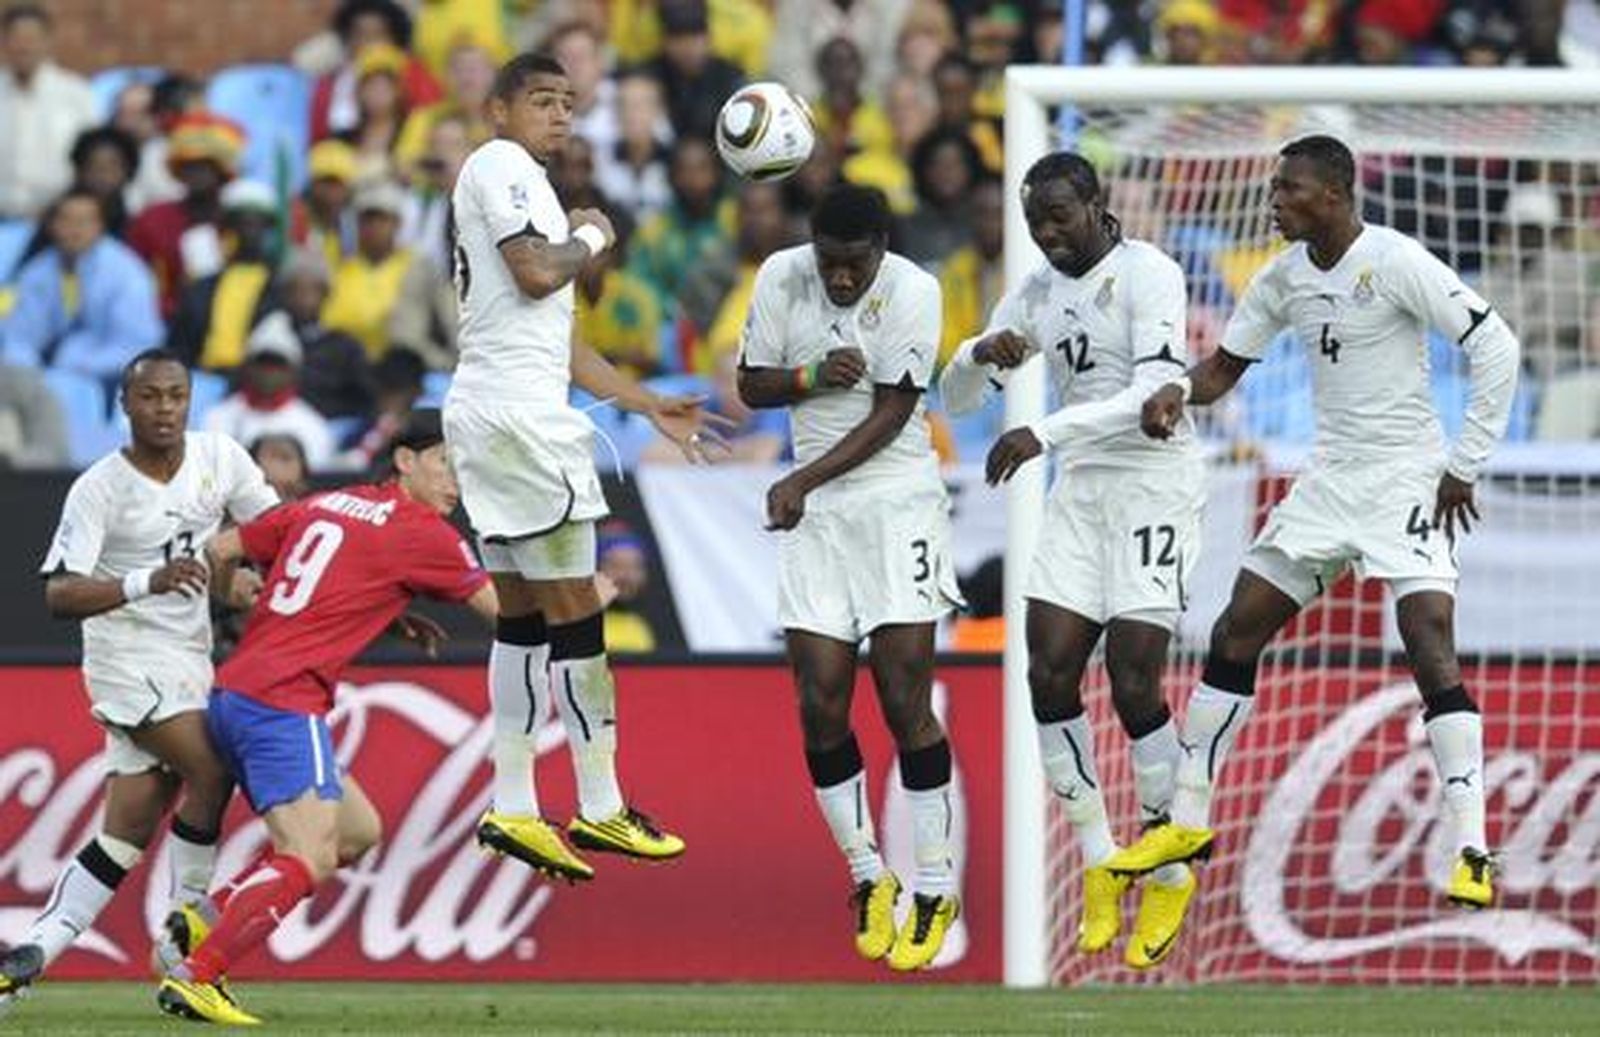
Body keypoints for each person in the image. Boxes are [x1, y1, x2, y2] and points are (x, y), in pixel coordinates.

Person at [1118, 135, 1522, 913]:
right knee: (1237, 628)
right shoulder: (1282, 277)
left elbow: (1495, 344)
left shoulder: (1397, 261)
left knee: (1428, 639)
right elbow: (1225, 367)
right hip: (1329, 481)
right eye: (1274, 188)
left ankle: (1471, 847)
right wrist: (1177, 391)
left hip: (1407, 474)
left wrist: (1464, 462)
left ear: (1334, 195)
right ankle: (1188, 819)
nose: (1274, 201)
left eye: (1289, 189)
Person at [443, 52, 728, 881]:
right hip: (520, 424)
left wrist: (646, 403)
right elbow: (539, 274)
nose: (560, 114)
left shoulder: (526, 192)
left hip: (499, 411)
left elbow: (560, 342)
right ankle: (600, 805)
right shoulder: (502, 167)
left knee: (526, 615)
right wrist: (595, 232)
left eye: (569, 102)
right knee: (577, 609)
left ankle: (515, 803)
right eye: (541, 100)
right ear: (498, 110)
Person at [939, 153, 1205, 969]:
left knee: (1131, 678)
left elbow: (1159, 388)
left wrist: (1041, 431)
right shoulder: (1035, 293)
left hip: (1155, 486)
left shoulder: (1148, 273)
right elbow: (952, 400)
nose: (1048, 235)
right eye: (1036, 223)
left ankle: (1167, 857)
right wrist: (982, 354)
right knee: (1048, 674)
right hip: (1082, 493)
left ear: (1095, 203)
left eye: (1060, 216)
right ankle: (1097, 856)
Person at [153, 410, 496, 1025]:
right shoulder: (425, 533)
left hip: (235, 692)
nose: (457, 483)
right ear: (404, 461)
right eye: (447, 463)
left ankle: (201, 923)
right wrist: (584, 601)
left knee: (358, 831)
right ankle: (198, 976)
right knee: (308, 855)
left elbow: (221, 548)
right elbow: (506, 616)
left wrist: (237, 595)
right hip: (283, 703)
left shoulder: (330, 503)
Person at [0, 349, 276, 1011]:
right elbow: (60, 593)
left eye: (175, 396)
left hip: (190, 654)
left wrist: (248, 577)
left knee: (127, 828)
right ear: (125, 405)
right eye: (149, 397)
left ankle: (25, 957)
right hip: (126, 660)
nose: (164, 409)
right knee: (212, 770)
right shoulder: (100, 487)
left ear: (190, 400)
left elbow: (276, 529)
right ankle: (185, 952)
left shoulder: (220, 459)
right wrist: (143, 581)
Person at [737, 184, 964, 971]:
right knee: (818, 700)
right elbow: (752, 383)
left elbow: (896, 410)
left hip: (896, 502)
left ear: (881, 247)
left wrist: (802, 480)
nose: (838, 278)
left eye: (853, 264)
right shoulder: (780, 275)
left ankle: (934, 886)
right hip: (819, 516)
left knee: (904, 699)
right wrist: (808, 378)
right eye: (828, 262)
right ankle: (870, 874)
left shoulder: (914, 288)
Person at [1, 188, 163, 380]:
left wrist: (72, 364)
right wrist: (27, 371)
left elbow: (138, 347)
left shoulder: (127, 273)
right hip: (49, 375)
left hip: (114, 379)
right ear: (52, 225)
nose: (74, 229)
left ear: (100, 226)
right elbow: (20, 338)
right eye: (65, 220)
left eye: (84, 221)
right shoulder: (38, 271)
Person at [204, 312, 338, 471]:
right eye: (262, 361)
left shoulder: (313, 427)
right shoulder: (217, 417)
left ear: (293, 371)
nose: (269, 371)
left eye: (277, 363)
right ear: (247, 367)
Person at [0, 2, 96, 220]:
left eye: (32, 39)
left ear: (48, 42)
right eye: (16, 39)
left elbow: (89, 157)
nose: (24, 47)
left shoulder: (75, 93)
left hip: (56, 222)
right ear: (4, 42)